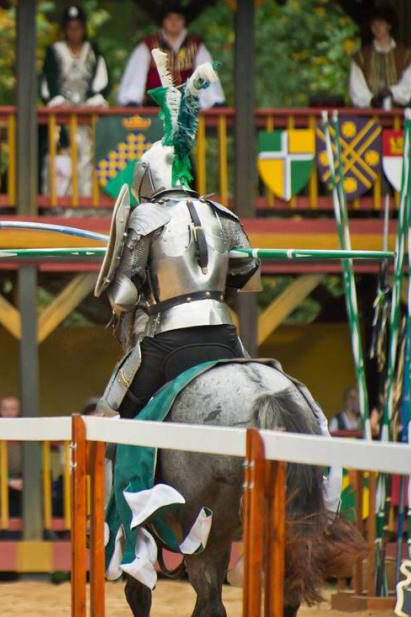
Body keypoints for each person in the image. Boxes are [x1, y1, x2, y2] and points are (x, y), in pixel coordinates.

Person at [96, 57, 259, 419]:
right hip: (224, 334)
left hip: (168, 339)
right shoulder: (221, 215)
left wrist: (124, 279)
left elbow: (122, 298)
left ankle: (127, 476)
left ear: (146, 178)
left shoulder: (146, 217)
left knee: (109, 416)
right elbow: (249, 269)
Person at [40, 5, 110, 197]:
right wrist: (58, 101)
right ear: (65, 29)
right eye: (70, 27)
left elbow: (101, 80)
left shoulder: (92, 50)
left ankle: (86, 201)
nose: (74, 31)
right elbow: (47, 83)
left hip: (87, 118)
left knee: (88, 157)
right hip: (60, 118)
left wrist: (93, 101)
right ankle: (58, 202)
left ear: (83, 28)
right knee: (59, 157)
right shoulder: (55, 51)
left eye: (78, 27)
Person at [116, 5, 224, 110]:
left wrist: (212, 102)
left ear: (184, 21)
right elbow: (136, 77)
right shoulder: (148, 46)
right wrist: (132, 100)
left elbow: (206, 75)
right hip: (154, 109)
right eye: (169, 18)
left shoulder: (196, 46)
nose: (174, 22)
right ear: (163, 21)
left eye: (178, 18)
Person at [348, 8, 411, 109]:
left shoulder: (405, 55)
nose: (376, 27)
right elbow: (356, 88)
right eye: (373, 24)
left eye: (380, 23)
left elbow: (408, 85)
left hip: (398, 115)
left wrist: (391, 92)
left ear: (389, 25)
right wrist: (372, 100)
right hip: (369, 118)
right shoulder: (361, 57)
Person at [0, 396, 23, 518]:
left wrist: (25, 479)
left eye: (13, 409)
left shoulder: (27, 431)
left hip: (24, 478)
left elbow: (35, 460)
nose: (9, 413)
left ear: (19, 411)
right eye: (4, 409)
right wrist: (8, 480)